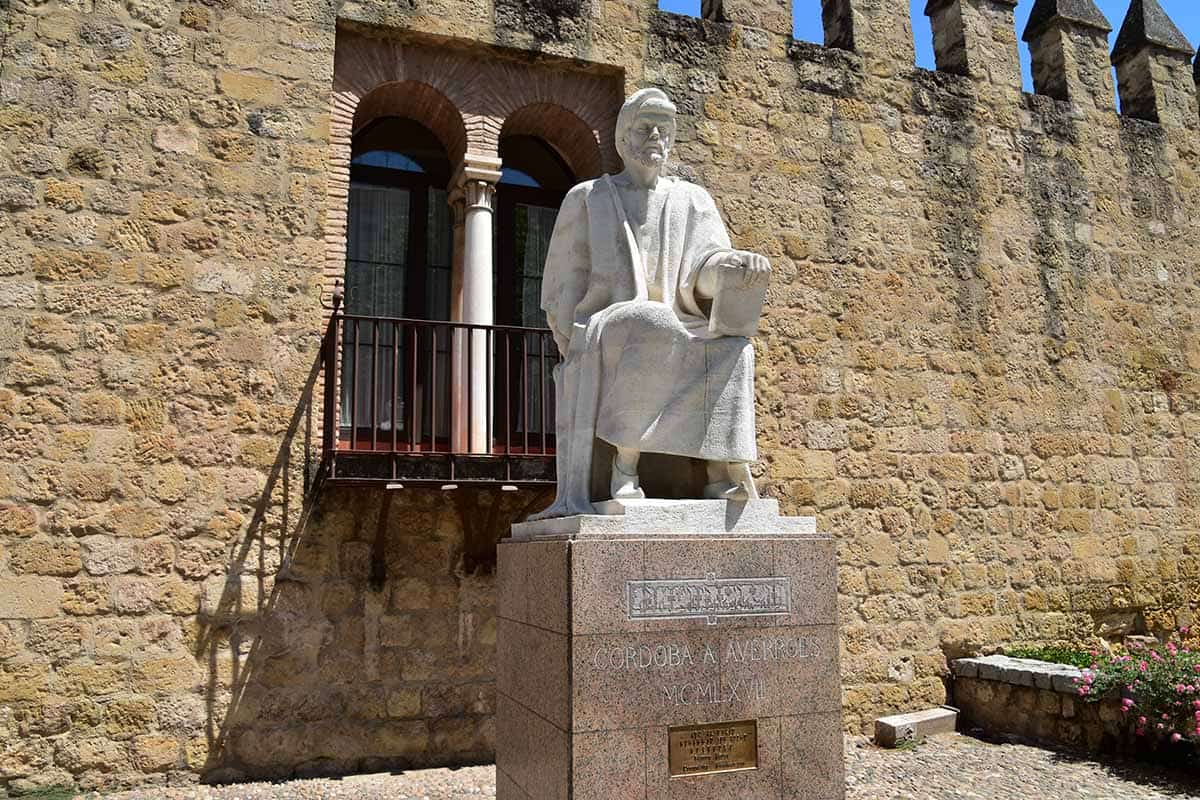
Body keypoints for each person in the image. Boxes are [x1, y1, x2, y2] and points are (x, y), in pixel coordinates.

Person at [533, 87, 770, 519]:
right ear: (623, 138)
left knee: (735, 348)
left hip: (684, 322)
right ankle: (625, 466)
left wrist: (735, 267)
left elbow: (706, 265)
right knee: (648, 319)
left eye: (664, 129)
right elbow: (563, 284)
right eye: (645, 128)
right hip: (610, 323)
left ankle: (720, 473)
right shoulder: (588, 198)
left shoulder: (693, 200)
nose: (656, 137)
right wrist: (574, 342)